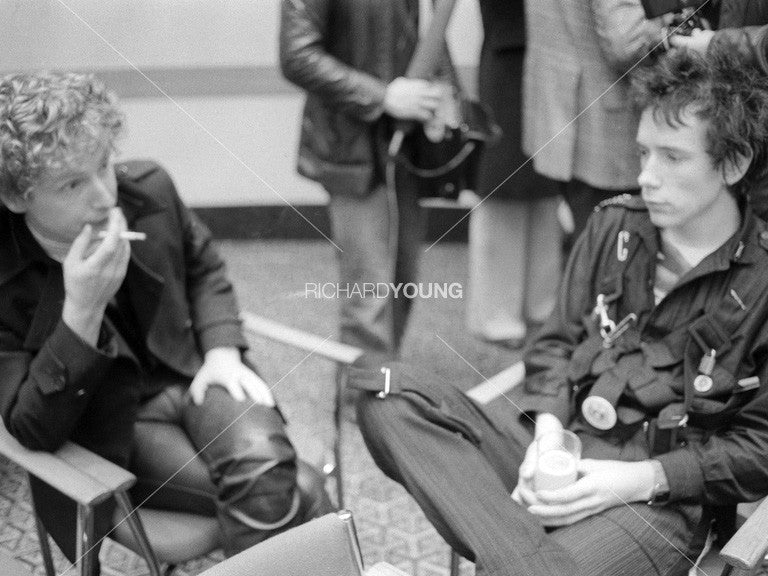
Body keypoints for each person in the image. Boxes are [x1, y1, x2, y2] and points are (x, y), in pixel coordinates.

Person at [354, 49, 768, 576]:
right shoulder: (611, 227)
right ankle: (525, 556)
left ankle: (512, 551)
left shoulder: (761, 280)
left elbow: (759, 450)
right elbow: (553, 346)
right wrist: (547, 435)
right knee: (384, 388)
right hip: (557, 451)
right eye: (643, 154)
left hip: (653, 501)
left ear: (733, 164)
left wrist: (637, 481)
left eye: (673, 157)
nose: (647, 176)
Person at [0, 71, 331, 574]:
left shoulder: (147, 188)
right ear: (18, 198)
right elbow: (30, 428)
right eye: (71, 183)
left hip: (194, 372)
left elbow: (203, 265)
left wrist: (221, 348)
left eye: (104, 166)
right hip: (114, 425)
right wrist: (81, 312)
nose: (104, 196)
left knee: (265, 462)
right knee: (299, 486)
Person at [279, 0, 443, 359]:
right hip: (351, 149)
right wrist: (383, 96)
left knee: (402, 285)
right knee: (368, 298)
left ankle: (384, 398)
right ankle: (361, 411)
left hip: (406, 147)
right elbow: (296, 55)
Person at [522, 0, 663, 239]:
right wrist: (671, 25)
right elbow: (628, 41)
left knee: (591, 248)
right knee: (615, 256)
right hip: (610, 126)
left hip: (569, 106)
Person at [466, 0, 562, 348]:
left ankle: (542, 307)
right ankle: (498, 317)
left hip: (550, 56)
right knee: (504, 188)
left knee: (546, 186)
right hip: (509, 60)